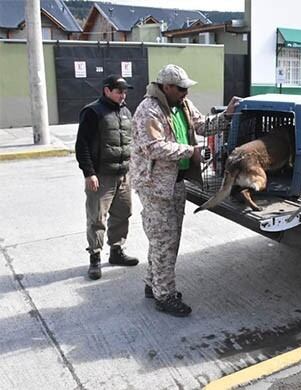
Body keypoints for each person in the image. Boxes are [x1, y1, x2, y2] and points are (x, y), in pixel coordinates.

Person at [131, 64, 240, 317]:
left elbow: (203, 126)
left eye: (186, 89)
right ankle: (164, 295)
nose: (185, 93)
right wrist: (191, 151)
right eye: (181, 89)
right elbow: (154, 148)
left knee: (167, 238)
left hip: (177, 182)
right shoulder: (148, 110)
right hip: (155, 186)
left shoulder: (183, 105)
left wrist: (228, 115)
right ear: (165, 87)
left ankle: (154, 283)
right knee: (164, 240)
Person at [75, 75, 139, 280]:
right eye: (119, 91)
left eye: (125, 91)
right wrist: (89, 173)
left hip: (123, 175)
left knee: (123, 214)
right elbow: (82, 145)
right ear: (107, 91)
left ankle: (116, 251)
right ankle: (95, 258)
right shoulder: (93, 112)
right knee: (97, 219)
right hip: (101, 176)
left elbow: (129, 143)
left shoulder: (126, 112)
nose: (123, 95)